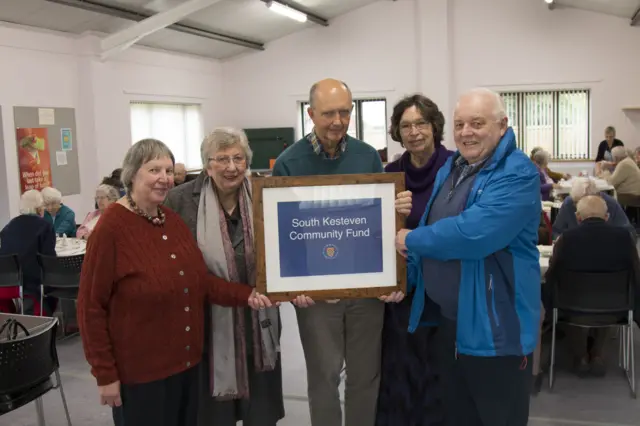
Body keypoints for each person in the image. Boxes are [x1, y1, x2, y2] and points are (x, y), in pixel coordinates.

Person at [77, 138, 274, 426]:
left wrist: (248, 295)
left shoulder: (170, 219)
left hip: (186, 367)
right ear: (132, 174)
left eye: (169, 171)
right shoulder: (111, 228)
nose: (164, 179)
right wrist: (104, 374)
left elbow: (200, 282)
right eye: (154, 170)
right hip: (140, 375)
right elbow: (90, 307)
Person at [396, 88, 541, 426]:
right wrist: (404, 278)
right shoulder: (454, 167)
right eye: (460, 124)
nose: (466, 132)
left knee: (497, 417)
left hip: (496, 330)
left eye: (477, 123)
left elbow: (471, 234)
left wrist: (411, 239)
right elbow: (436, 225)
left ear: (502, 125)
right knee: (459, 416)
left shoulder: (516, 173)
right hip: (452, 325)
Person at [271, 78, 404, 426]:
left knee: (365, 376)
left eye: (344, 112)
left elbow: (378, 224)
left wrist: (397, 208)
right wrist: (291, 285)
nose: (337, 121)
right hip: (315, 295)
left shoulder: (367, 156)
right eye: (328, 113)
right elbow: (283, 234)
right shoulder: (288, 163)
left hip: (365, 290)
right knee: (323, 378)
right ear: (311, 113)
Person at [165, 128, 284, 426]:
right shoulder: (179, 202)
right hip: (208, 324)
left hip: (260, 318)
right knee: (213, 414)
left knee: (260, 411)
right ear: (207, 164)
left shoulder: (265, 195)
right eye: (222, 159)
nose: (231, 167)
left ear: (247, 162)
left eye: (238, 158)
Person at [377, 94, 452, 426]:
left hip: (446, 289)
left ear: (434, 126)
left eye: (421, 123)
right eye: (405, 125)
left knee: (442, 374)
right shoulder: (388, 176)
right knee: (402, 374)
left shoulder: (456, 168)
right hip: (402, 293)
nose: (414, 132)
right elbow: (377, 235)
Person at [545, 195, 640, 376]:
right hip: (616, 308)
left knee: (570, 298)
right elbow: (636, 273)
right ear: (607, 217)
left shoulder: (566, 239)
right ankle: (597, 354)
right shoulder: (625, 239)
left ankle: (581, 356)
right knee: (607, 297)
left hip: (572, 307)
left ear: (578, 218)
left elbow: (552, 275)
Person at [0, 190, 56, 315]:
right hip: (32, 281)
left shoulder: (9, 226)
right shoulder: (45, 226)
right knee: (55, 282)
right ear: (39, 208)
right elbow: (49, 259)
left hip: (7, 280)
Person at [552, 177, 634, 239]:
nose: (581, 207)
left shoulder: (610, 204)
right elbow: (557, 231)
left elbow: (628, 233)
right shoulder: (569, 203)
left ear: (597, 196)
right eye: (577, 202)